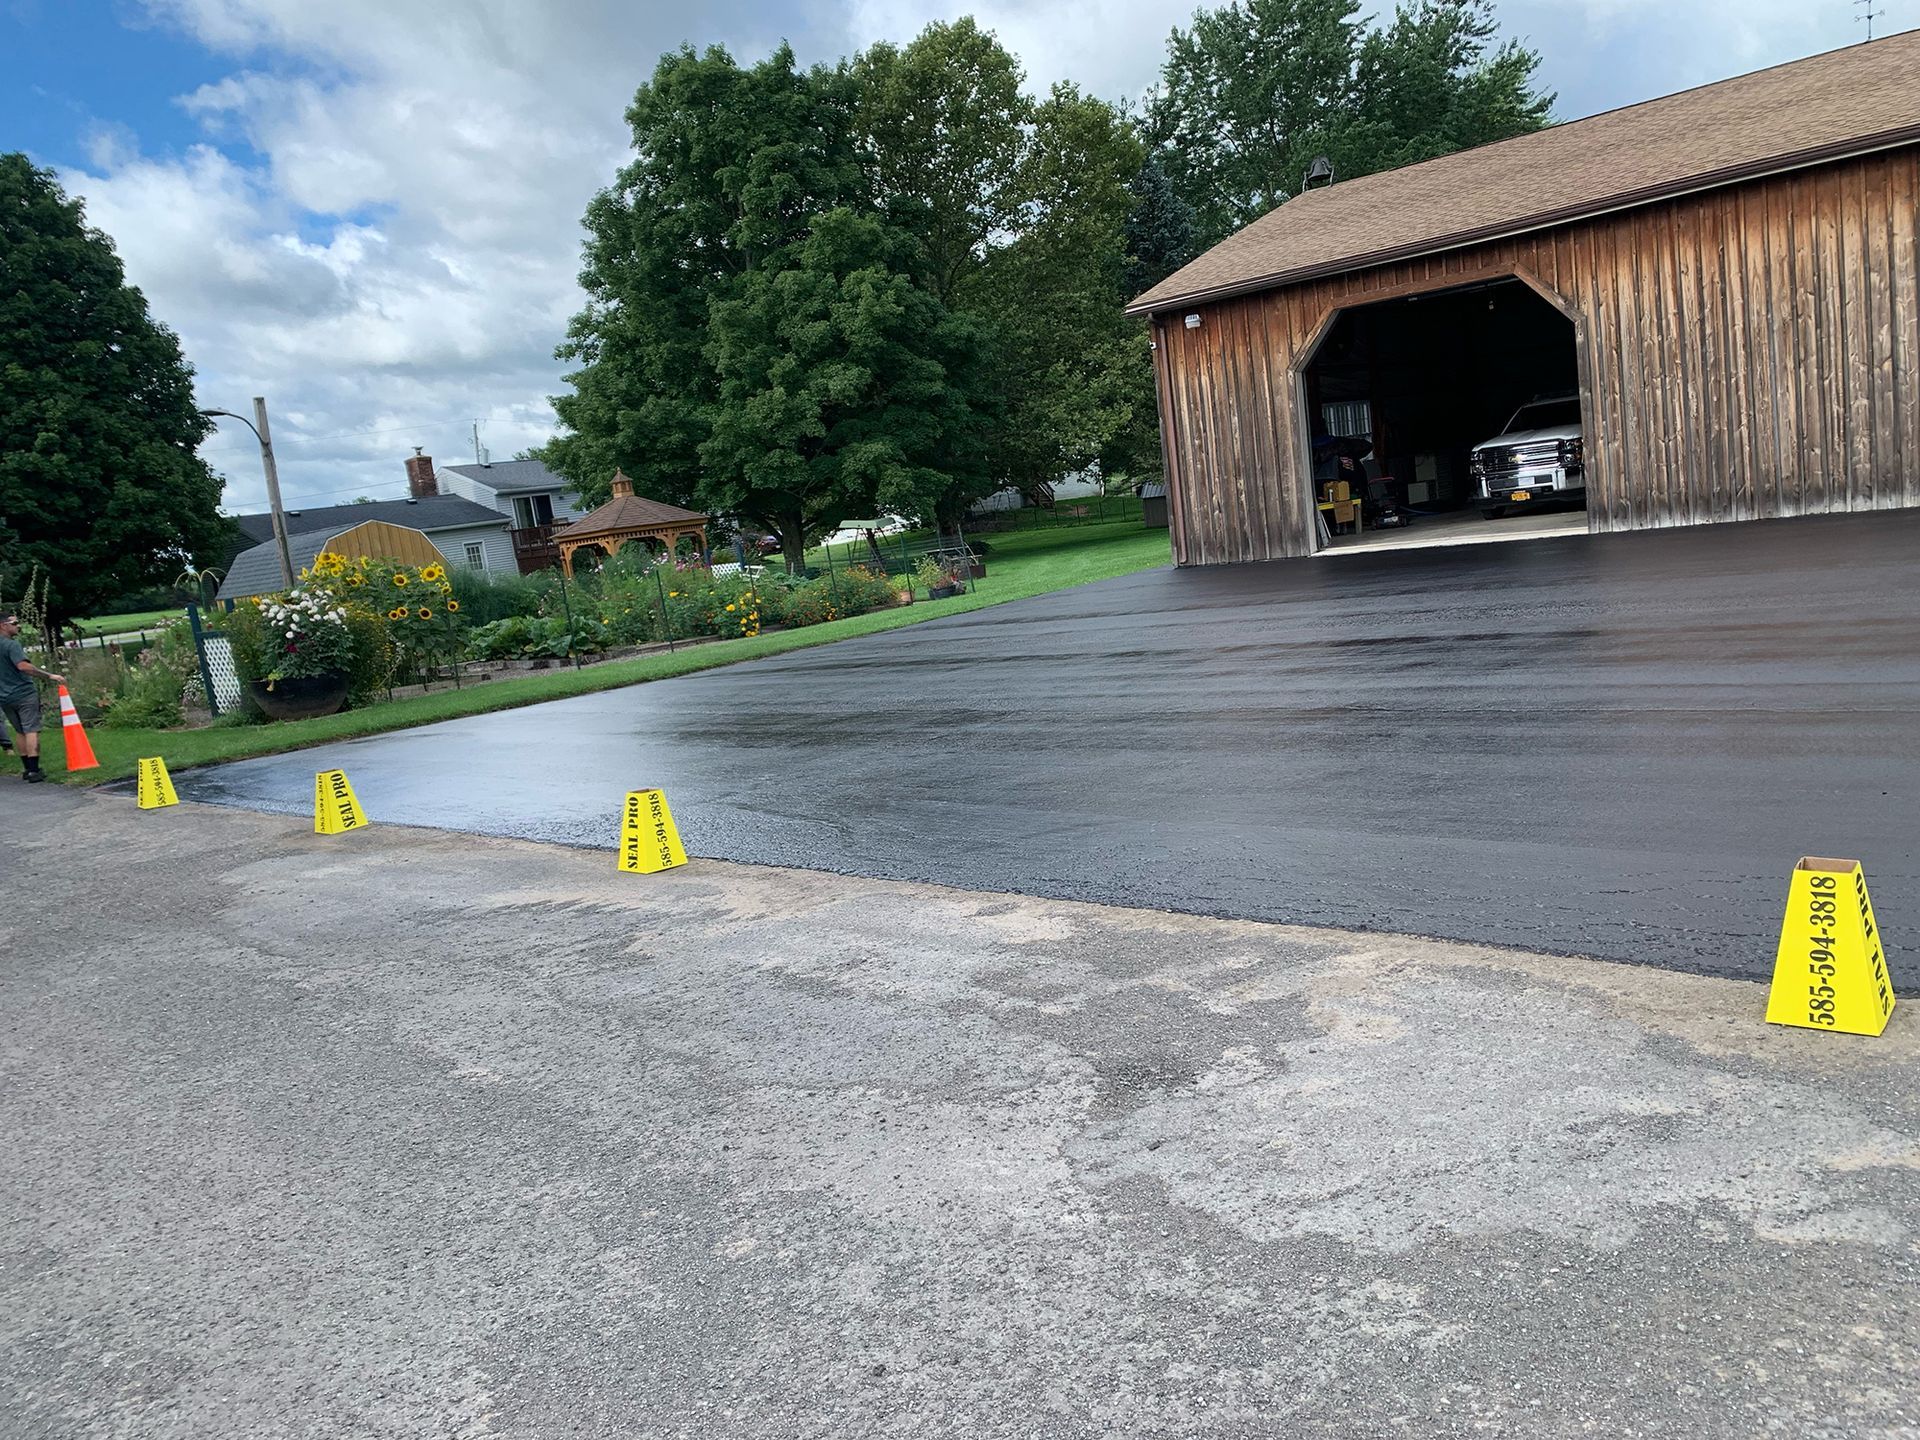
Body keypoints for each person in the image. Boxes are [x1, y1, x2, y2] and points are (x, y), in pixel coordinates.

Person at [0, 611, 65, 783]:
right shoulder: (11, 645)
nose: (18, 626)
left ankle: (26, 768)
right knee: (31, 729)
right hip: (23, 693)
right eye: (14, 623)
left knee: (20, 731)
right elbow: (23, 666)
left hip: (4, 696)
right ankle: (34, 770)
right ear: (3, 625)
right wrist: (49, 675)